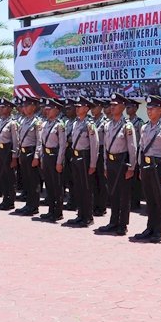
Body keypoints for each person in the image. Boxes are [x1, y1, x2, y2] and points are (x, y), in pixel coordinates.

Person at [134, 96, 161, 243]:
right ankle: (149, 227)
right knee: (149, 199)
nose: (149, 111)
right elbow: (141, 149)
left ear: (160, 110)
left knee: (159, 200)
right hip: (146, 166)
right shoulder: (145, 127)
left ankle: (158, 231)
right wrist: (139, 167)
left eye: (152, 109)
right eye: (148, 109)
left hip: (159, 167)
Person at [97, 93, 137, 236]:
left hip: (122, 163)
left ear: (122, 106)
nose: (112, 108)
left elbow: (132, 148)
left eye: (115, 105)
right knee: (112, 193)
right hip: (111, 161)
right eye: (111, 105)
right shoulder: (107, 125)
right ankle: (113, 221)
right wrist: (106, 165)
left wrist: (132, 167)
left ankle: (122, 224)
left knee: (123, 195)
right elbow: (105, 147)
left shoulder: (127, 126)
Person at [64, 96, 99, 227]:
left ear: (86, 108)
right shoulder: (76, 123)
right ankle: (80, 214)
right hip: (76, 156)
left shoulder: (90, 124)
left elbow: (94, 145)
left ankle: (88, 217)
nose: (77, 109)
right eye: (76, 107)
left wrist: (93, 164)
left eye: (79, 107)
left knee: (86, 188)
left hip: (85, 157)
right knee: (78, 187)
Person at [38, 98, 67, 221]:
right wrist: (41, 157)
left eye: (49, 109)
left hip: (55, 157)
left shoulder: (60, 125)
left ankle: (58, 212)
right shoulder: (44, 124)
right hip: (46, 156)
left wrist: (59, 162)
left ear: (56, 110)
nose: (46, 110)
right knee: (49, 185)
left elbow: (62, 145)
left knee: (57, 186)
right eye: (46, 108)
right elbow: (41, 143)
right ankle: (51, 210)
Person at [14, 96, 43, 216]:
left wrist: (37, 156)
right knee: (26, 181)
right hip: (24, 152)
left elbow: (40, 141)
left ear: (34, 107)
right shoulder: (24, 120)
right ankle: (28, 204)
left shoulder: (37, 122)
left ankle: (33, 206)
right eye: (24, 106)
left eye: (27, 106)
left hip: (32, 153)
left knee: (33, 181)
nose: (24, 108)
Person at [0, 97, 19, 211]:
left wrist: (14, 157)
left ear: (9, 109)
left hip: (8, 151)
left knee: (9, 177)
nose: (1, 109)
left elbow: (16, 141)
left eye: (3, 107)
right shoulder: (0, 121)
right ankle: (5, 199)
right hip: (0, 150)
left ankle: (10, 201)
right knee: (2, 176)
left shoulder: (12, 123)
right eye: (1, 107)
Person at [91, 99, 108, 217]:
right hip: (92, 151)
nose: (92, 109)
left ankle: (101, 207)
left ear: (101, 107)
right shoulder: (91, 121)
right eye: (91, 107)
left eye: (94, 107)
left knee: (102, 181)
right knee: (93, 180)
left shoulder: (105, 122)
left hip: (102, 151)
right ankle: (94, 204)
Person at [126, 99, 145, 212]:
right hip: (127, 152)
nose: (128, 109)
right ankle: (128, 200)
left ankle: (135, 202)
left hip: (137, 151)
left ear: (135, 108)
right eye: (127, 107)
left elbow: (142, 139)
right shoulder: (125, 121)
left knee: (135, 178)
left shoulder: (139, 122)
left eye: (130, 107)